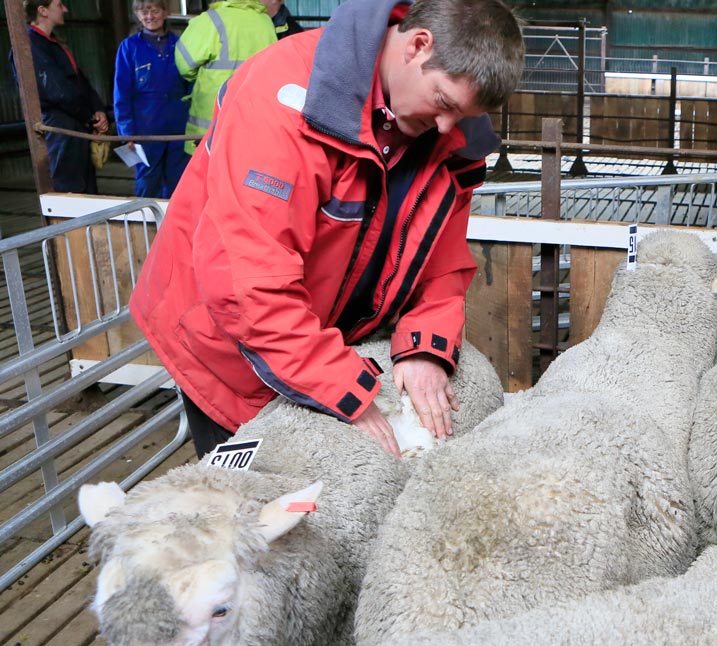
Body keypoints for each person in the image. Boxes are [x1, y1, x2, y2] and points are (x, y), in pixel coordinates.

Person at [130, 0, 524, 458]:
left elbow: (443, 260)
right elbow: (248, 281)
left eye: (464, 115)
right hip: (227, 349)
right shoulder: (285, 102)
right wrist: (344, 388)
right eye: (443, 103)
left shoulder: (451, 138)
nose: (446, 126)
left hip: (326, 338)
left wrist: (424, 346)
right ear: (418, 45)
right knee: (251, 512)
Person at [10, 0, 109, 193]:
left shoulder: (55, 43)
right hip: (59, 127)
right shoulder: (29, 46)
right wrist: (90, 117)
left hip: (75, 121)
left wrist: (98, 110)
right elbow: (59, 91)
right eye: (59, 4)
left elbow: (81, 81)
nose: (65, 9)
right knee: (69, 188)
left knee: (86, 187)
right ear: (42, 10)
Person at [174, 0, 276, 156]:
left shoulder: (210, 20)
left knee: (207, 178)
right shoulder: (264, 21)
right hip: (253, 122)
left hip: (210, 128)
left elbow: (184, 65)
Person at [113, 0, 191, 198]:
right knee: (147, 183)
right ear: (137, 16)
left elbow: (191, 87)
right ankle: (147, 226)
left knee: (180, 184)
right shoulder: (129, 47)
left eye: (154, 10)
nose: (149, 16)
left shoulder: (180, 45)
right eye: (143, 11)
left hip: (178, 130)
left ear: (165, 12)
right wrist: (127, 133)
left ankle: (174, 228)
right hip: (145, 131)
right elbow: (121, 93)